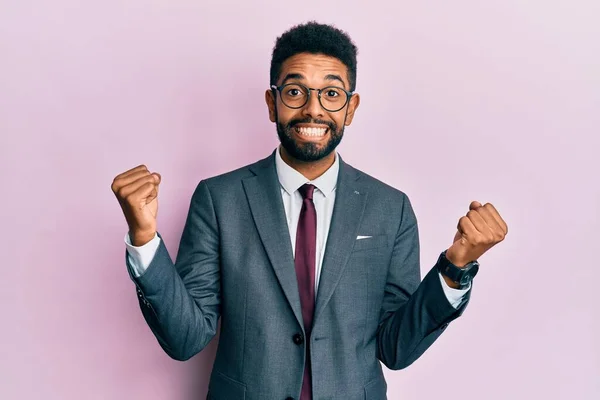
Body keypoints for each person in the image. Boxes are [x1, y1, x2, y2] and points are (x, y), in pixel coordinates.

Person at [111, 21, 508, 400]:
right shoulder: (219, 200)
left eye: (331, 94)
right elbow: (186, 338)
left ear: (350, 109)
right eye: (295, 92)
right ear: (272, 102)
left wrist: (456, 267)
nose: (313, 110)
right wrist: (144, 239)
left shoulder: (391, 208)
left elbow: (396, 348)